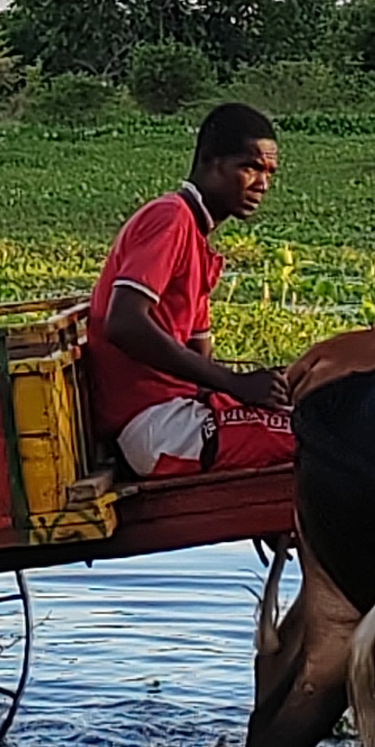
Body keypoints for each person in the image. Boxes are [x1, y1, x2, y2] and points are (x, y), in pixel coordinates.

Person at [84, 102, 297, 477]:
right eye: (249, 167)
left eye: (269, 172)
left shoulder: (198, 240)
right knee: (322, 438)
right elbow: (124, 322)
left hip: (176, 411)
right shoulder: (170, 217)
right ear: (211, 163)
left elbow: (199, 352)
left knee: (311, 413)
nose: (262, 184)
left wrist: (261, 387)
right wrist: (234, 383)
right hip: (155, 425)